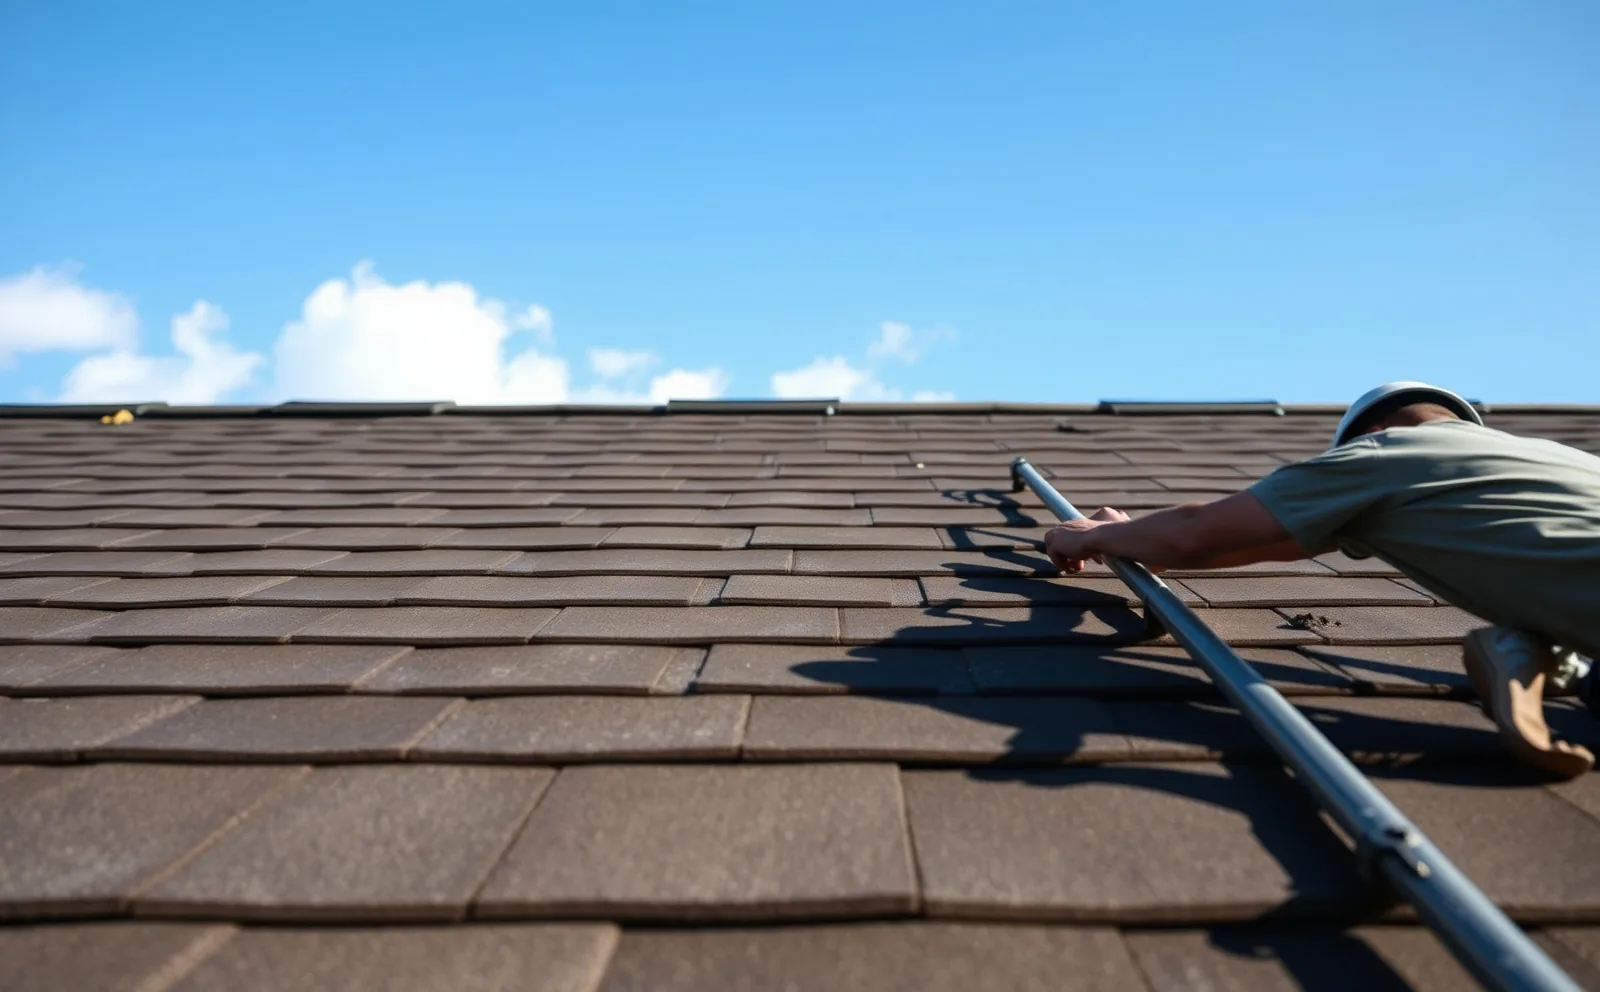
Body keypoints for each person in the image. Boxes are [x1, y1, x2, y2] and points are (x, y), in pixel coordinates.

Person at [1043, 382, 1600, 778]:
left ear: (1369, 434)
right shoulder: (1556, 456)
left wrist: (1089, 538)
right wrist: (1135, 537)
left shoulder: (1384, 455)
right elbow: (1268, 542)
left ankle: (1542, 656)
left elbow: (1199, 531)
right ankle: (1553, 656)